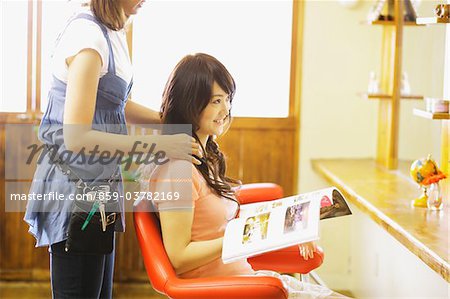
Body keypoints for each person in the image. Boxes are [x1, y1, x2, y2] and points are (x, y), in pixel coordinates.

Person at [24, 1, 202, 298]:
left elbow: (115, 104)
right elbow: (77, 137)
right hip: (75, 191)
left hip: (99, 187)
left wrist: (170, 121)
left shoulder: (114, 30)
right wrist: (163, 143)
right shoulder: (88, 38)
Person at [138, 53, 348, 298]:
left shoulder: (202, 159)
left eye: (227, 99)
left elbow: (217, 221)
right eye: (216, 101)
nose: (226, 109)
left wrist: (294, 228)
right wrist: (242, 238)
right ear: (190, 104)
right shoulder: (178, 170)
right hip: (233, 290)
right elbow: (179, 257)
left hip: (247, 280)